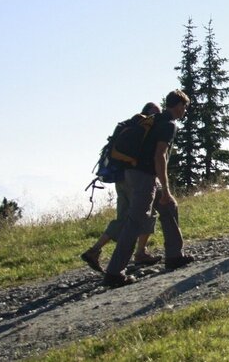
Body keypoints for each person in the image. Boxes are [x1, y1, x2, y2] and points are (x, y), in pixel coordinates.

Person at [103, 90, 195, 288]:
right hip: (144, 176)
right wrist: (166, 187)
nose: (184, 111)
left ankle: (174, 255)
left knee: (169, 206)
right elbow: (160, 156)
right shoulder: (168, 124)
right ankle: (114, 272)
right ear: (178, 105)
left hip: (132, 173)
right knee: (136, 221)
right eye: (184, 107)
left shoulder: (153, 120)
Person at [80, 102, 163, 273]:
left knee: (124, 217)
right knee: (146, 212)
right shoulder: (145, 128)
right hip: (137, 176)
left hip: (121, 176)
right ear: (149, 112)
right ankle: (140, 253)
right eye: (156, 112)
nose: (158, 116)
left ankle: (94, 250)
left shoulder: (130, 126)